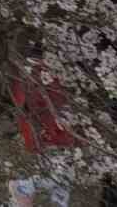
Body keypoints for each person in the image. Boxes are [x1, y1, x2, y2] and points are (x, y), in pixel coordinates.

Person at [7, 53, 75, 207]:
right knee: (63, 177)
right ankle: (24, 187)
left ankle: (25, 191)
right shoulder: (36, 73)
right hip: (51, 135)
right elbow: (30, 105)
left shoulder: (35, 71)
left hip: (53, 135)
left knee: (63, 180)